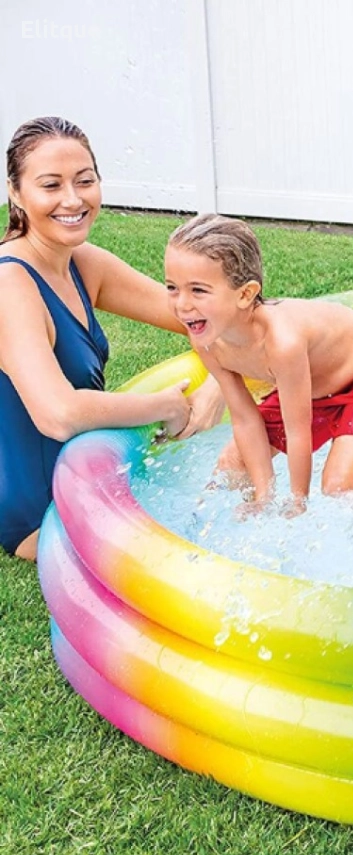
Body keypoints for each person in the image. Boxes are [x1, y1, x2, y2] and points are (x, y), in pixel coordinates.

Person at [0, 116, 224, 562]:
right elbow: (59, 414)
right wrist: (166, 406)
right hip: (41, 514)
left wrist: (220, 384)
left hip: (95, 472)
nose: (73, 199)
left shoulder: (82, 263)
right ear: (16, 193)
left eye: (85, 181)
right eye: (51, 185)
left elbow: (205, 318)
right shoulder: (10, 284)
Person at [164, 213, 353, 516]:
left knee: (338, 486)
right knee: (232, 465)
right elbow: (245, 419)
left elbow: (297, 431)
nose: (182, 304)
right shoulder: (206, 340)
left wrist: (297, 502)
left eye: (198, 290)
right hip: (313, 387)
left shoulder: (282, 342)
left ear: (245, 294)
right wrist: (264, 497)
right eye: (172, 288)